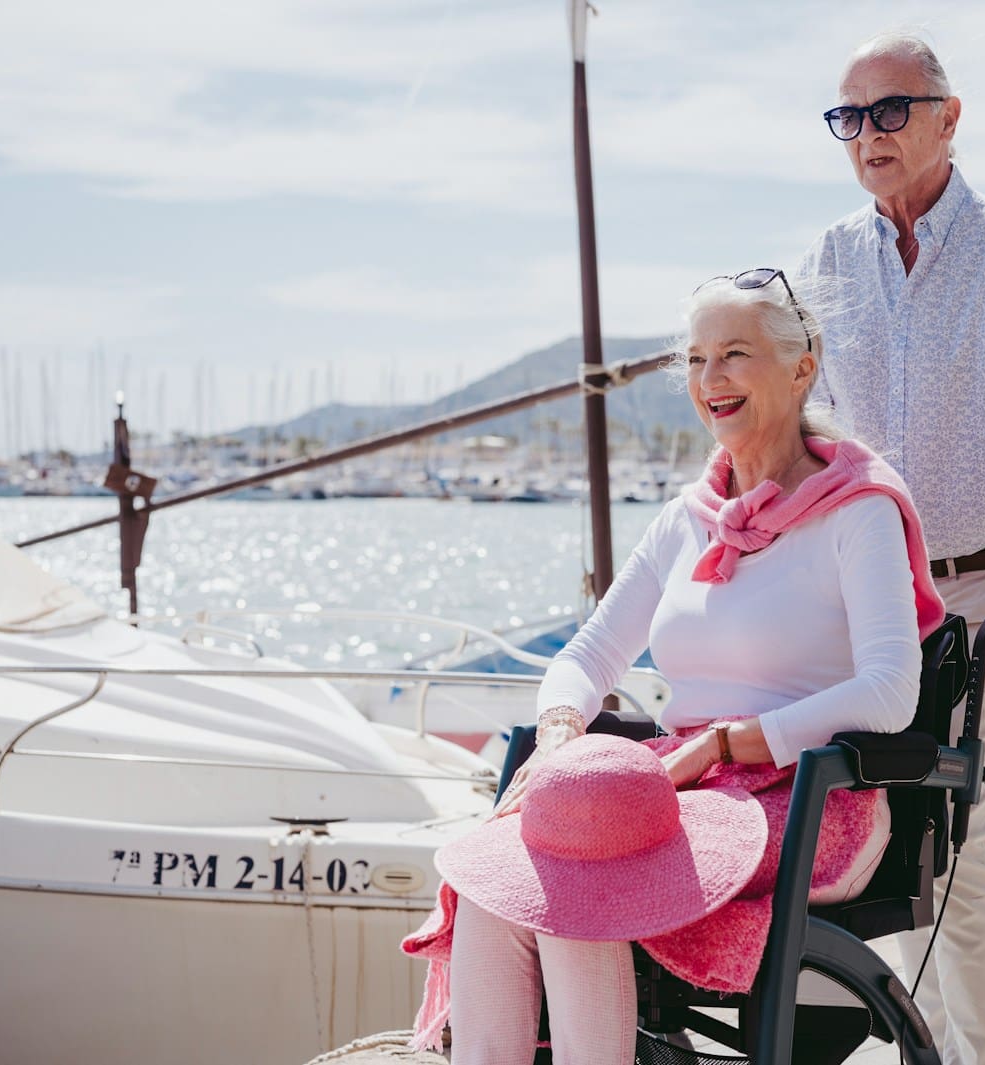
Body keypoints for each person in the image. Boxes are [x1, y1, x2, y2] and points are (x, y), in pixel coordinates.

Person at [401, 269, 948, 1064]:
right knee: (502, 880)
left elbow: (892, 693)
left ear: (803, 367)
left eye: (733, 354)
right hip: (684, 792)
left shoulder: (856, 509)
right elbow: (586, 655)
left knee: (585, 877)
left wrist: (728, 743)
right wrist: (559, 736)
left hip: (808, 795)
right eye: (695, 359)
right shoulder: (686, 521)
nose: (709, 380)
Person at [801, 32, 985, 1065]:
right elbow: (817, 436)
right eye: (849, 117)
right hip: (871, 595)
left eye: (890, 111)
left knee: (956, 838)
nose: (867, 135)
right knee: (875, 836)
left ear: (947, 116)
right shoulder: (832, 259)